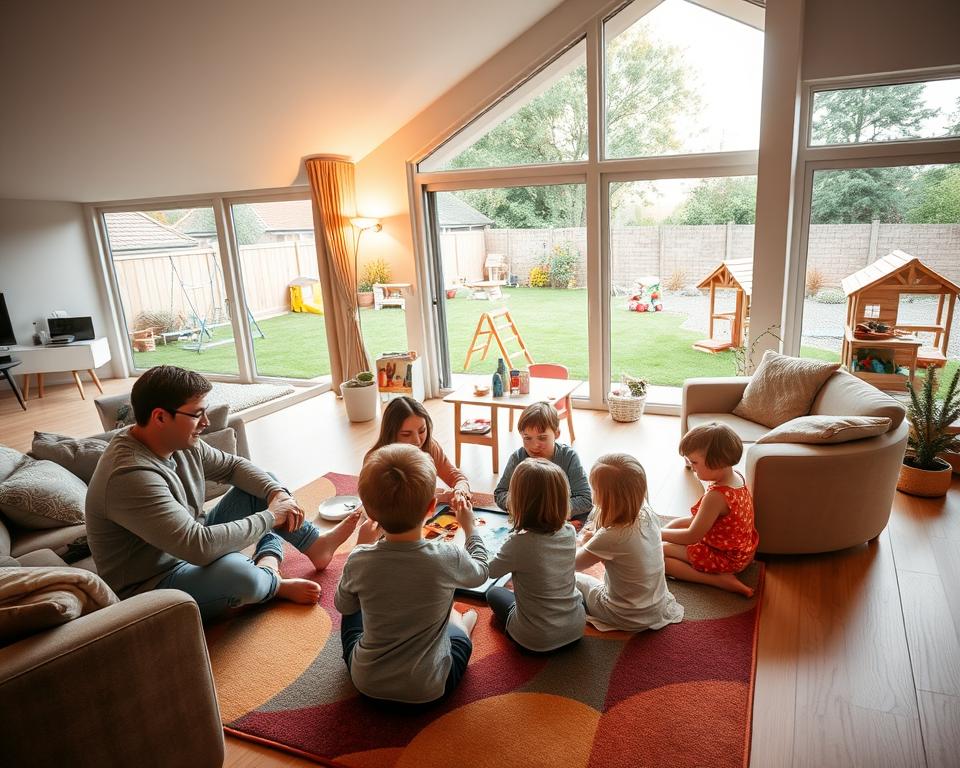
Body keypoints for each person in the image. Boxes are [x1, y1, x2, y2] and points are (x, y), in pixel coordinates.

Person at [86, 365, 360, 622]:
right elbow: (199, 547)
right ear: (160, 417)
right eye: (197, 414)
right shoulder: (129, 475)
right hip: (153, 584)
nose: (205, 422)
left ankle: (316, 546)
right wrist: (270, 517)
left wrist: (276, 493)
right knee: (241, 576)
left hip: (189, 543)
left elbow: (233, 466)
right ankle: (271, 575)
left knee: (265, 486)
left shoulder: (179, 441)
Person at [335, 444, 489, 704]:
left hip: (368, 684)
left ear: (370, 513)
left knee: (351, 611)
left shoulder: (359, 558)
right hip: (429, 690)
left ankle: (451, 620)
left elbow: (343, 605)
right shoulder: (447, 556)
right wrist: (470, 529)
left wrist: (360, 547)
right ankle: (460, 623)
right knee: (460, 641)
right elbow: (481, 572)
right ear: (431, 507)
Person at [574, 453, 684, 632]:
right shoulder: (647, 512)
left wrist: (586, 542)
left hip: (623, 614)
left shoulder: (612, 536)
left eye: (594, 489)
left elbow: (574, 564)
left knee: (574, 578)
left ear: (607, 496)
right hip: (656, 605)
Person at [486, 458, 585, 652]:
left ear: (517, 502)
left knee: (493, 593)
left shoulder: (518, 543)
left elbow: (487, 571)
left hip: (534, 642)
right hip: (576, 629)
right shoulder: (569, 531)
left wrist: (471, 533)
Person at [661, 422, 759, 597]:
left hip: (727, 560)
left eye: (695, 462)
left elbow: (692, 536)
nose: (692, 467)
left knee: (662, 556)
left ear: (718, 462)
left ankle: (720, 581)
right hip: (744, 552)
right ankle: (719, 573)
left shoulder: (716, 496)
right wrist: (663, 531)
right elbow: (697, 521)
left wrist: (658, 533)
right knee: (675, 525)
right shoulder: (735, 478)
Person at [366, 396, 471, 514]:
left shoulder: (429, 446)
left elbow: (456, 477)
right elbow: (384, 508)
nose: (417, 440)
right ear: (391, 434)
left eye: (422, 431)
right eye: (406, 434)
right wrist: (441, 497)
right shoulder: (375, 460)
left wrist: (460, 490)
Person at [493, 402, 592, 519]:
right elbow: (500, 493)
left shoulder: (569, 457)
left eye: (542, 438)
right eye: (527, 438)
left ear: (556, 433)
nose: (535, 445)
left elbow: (585, 500)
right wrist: (521, 507)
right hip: (528, 520)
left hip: (559, 521)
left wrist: (547, 511)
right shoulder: (518, 458)